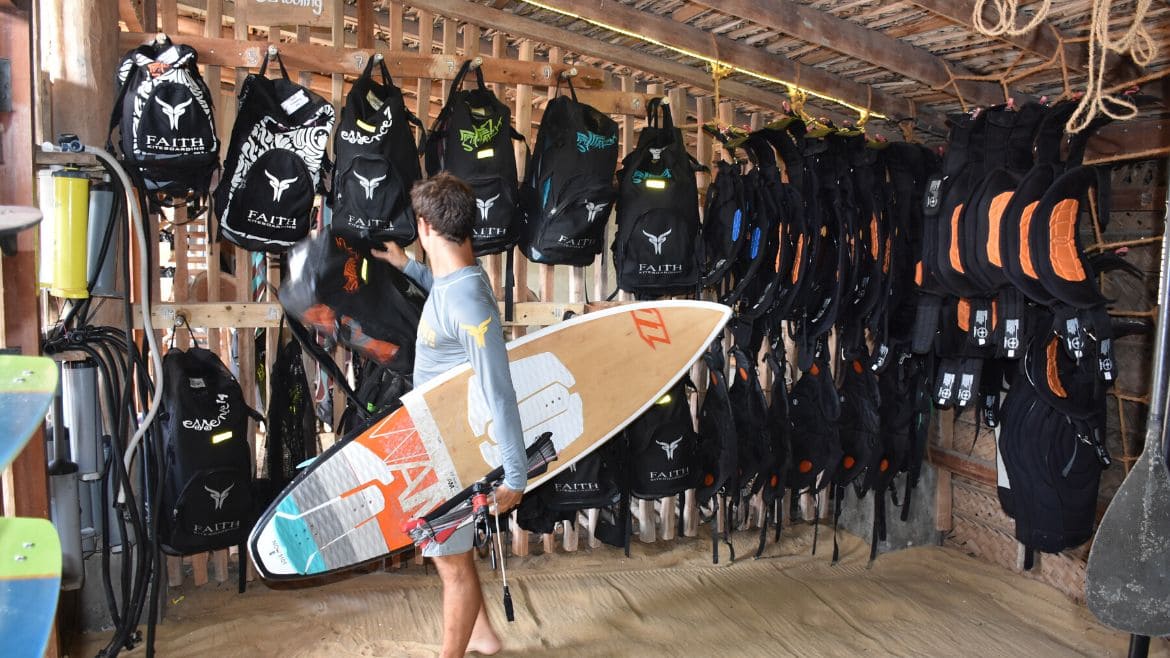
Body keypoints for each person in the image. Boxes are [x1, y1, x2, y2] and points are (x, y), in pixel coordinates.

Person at [373, 172, 526, 657]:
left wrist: (516, 475)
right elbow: (445, 289)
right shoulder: (462, 277)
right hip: (441, 441)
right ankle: (483, 637)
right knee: (451, 556)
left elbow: (499, 391)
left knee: (452, 566)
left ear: (423, 227)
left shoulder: (466, 299)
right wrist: (408, 267)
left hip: (453, 455)